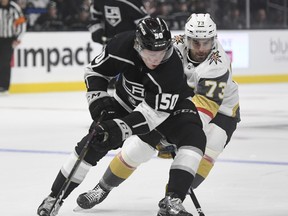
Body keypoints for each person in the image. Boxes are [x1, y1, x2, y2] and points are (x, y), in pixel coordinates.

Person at [37, 17, 206, 216]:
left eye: (161, 51)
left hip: (169, 111)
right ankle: (54, 196)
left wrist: (119, 128)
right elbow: (94, 72)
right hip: (125, 103)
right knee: (93, 142)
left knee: (195, 137)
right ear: (137, 44)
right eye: (149, 52)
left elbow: (152, 115)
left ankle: (173, 200)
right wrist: (99, 102)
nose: (155, 59)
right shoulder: (121, 45)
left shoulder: (171, 69)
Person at [75, 12, 240, 210]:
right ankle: (102, 188)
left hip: (222, 112)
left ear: (215, 39)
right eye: (196, 42)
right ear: (186, 38)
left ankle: (172, 199)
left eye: (207, 42)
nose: (202, 49)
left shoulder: (217, 65)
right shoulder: (173, 44)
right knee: (136, 149)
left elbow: (204, 109)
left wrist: (175, 138)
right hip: (178, 102)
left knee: (207, 148)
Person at [0, 0, 26, 94]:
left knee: (5, 62)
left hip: (8, 39)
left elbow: (22, 23)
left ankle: (4, 86)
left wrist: (18, 38)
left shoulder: (14, 7)